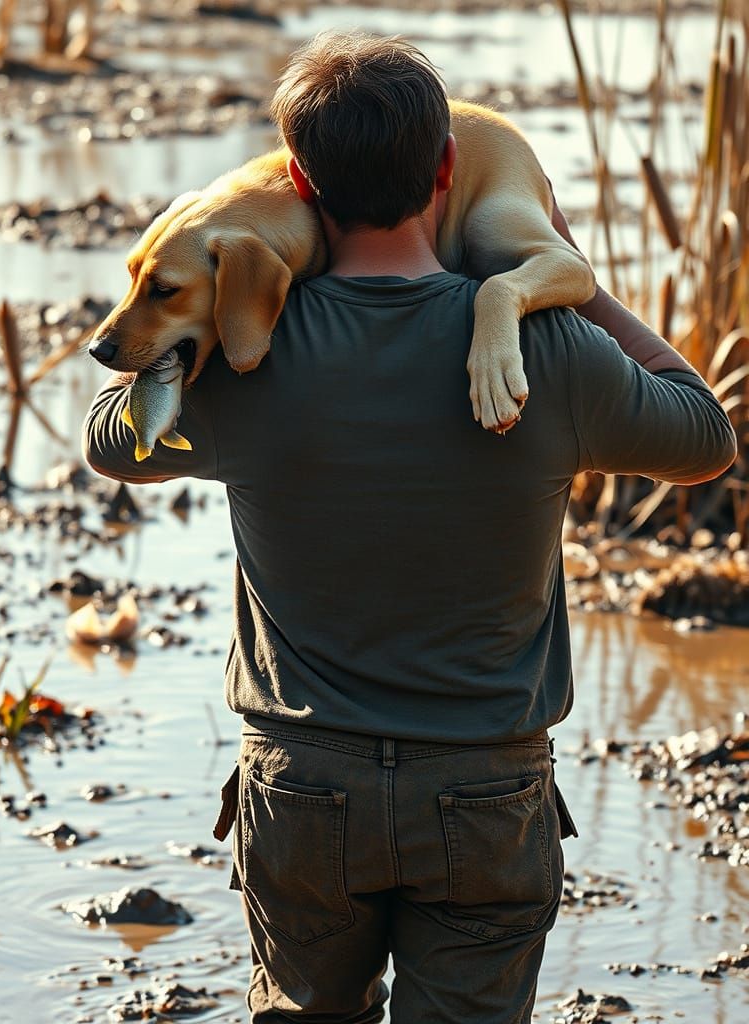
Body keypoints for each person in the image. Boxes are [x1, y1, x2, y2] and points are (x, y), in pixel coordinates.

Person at [83, 32, 736, 1024]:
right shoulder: (550, 348)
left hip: (302, 790)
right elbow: (705, 431)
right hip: (485, 792)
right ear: (447, 168)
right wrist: (575, 274)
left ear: (300, 180)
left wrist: (238, 279)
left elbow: (110, 435)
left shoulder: (242, 362)